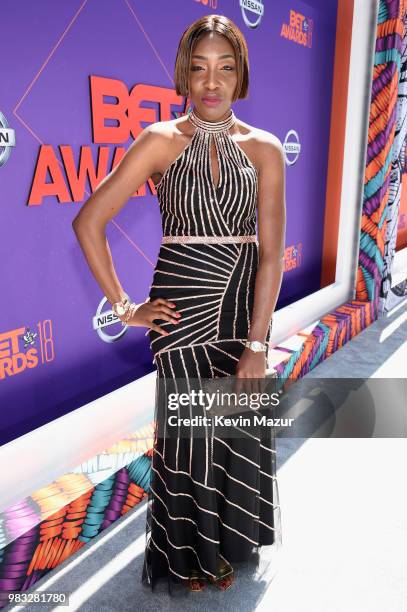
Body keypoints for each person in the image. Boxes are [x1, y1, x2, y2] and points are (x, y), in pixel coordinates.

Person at [72, 13, 286, 595]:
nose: (211, 82)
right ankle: (187, 556)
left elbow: (270, 255)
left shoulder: (266, 149)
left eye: (225, 68)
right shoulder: (159, 141)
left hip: (243, 312)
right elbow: (89, 220)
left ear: (241, 75)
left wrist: (258, 344)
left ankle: (231, 544)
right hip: (183, 312)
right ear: (182, 77)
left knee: (235, 427)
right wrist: (125, 306)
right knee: (190, 438)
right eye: (198, 69)